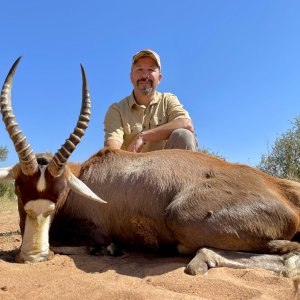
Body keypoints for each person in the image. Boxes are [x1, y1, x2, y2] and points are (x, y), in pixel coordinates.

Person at [104, 49, 197, 153]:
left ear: (159, 78)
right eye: (139, 69)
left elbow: (186, 124)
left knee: (184, 135)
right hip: (131, 167)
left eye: (150, 70)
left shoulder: (168, 100)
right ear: (131, 77)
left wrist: (143, 136)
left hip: (166, 167)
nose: (144, 76)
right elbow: (112, 149)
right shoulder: (117, 109)